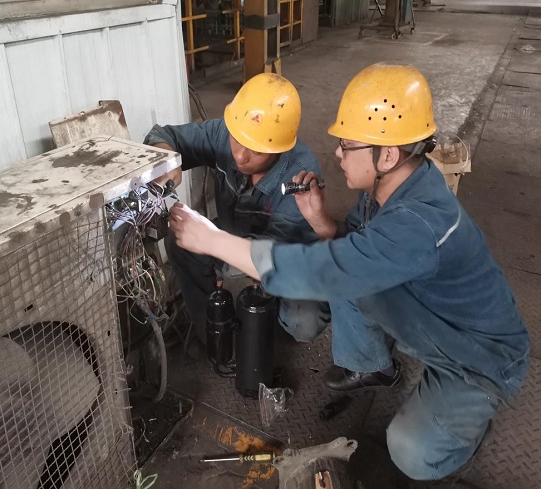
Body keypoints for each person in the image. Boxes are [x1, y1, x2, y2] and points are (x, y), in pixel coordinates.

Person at [167, 63, 530, 481]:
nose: (337, 154)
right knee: (345, 263)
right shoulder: (392, 189)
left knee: (409, 451)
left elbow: (330, 269)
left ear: (387, 155)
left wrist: (211, 240)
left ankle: (466, 431)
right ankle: (375, 365)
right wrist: (320, 221)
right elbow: (353, 247)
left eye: (346, 145)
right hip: (433, 323)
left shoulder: (418, 223)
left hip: (476, 357)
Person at [144, 73, 330, 347]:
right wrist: (166, 159)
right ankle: (210, 331)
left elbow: (273, 259)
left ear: (279, 147)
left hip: (288, 256)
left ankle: (267, 330)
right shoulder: (226, 132)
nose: (240, 156)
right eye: (237, 140)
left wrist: (212, 241)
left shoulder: (301, 177)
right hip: (235, 236)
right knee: (179, 238)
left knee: (303, 321)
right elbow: (165, 135)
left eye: (256, 150)